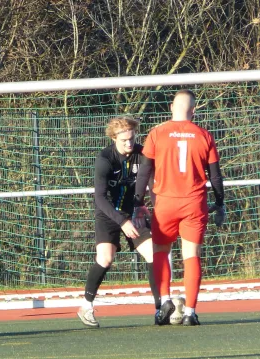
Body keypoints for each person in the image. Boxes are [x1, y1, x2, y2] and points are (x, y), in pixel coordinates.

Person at [133, 89, 226, 326]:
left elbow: (144, 172)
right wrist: (220, 201)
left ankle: (164, 300)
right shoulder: (204, 135)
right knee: (191, 256)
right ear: (193, 111)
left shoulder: (156, 133)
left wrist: (138, 202)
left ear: (171, 108)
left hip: (165, 203)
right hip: (194, 203)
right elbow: (215, 176)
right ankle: (190, 312)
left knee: (161, 251)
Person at [78, 117, 160, 328]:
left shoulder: (142, 154)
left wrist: (150, 209)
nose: (129, 144)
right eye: (124, 140)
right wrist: (122, 221)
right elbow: (100, 198)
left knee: (154, 254)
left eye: (132, 139)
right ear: (114, 138)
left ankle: (160, 308)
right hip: (109, 215)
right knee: (105, 258)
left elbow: (153, 186)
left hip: (134, 213)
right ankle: (86, 305)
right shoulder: (105, 159)